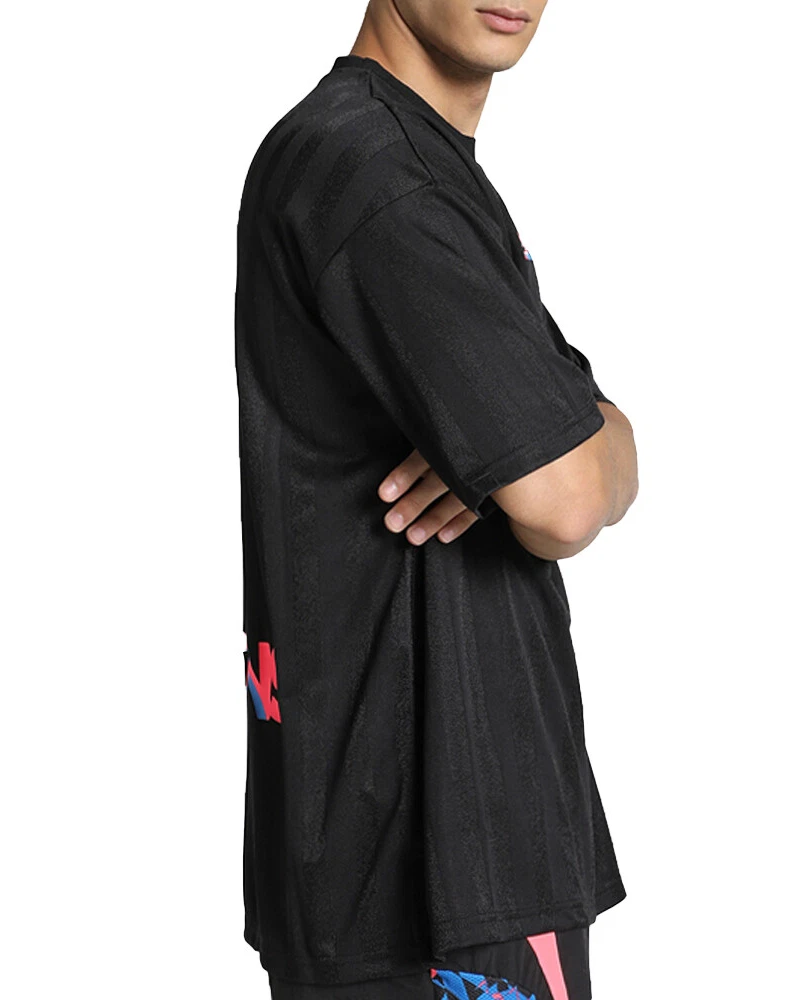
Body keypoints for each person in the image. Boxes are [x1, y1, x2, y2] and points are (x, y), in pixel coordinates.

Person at [233, 2, 640, 998]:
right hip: (433, 867)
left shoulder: (402, 162)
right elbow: (568, 497)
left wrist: (555, 443)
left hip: (411, 850)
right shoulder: (379, 173)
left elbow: (603, 456)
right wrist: (549, 452)